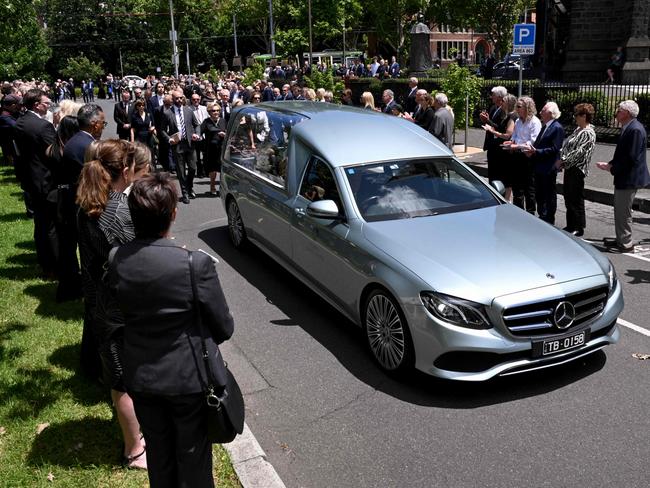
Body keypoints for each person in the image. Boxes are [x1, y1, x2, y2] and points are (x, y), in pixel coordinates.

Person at [107, 172, 234, 488]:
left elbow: (116, 312)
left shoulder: (116, 259)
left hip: (141, 374)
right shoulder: (193, 264)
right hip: (187, 377)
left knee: (160, 455)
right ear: (173, 213)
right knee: (193, 458)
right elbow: (224, 326)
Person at [76, 139, 150, 470]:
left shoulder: (88, 204)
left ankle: (135, 439)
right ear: (125, 169)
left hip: (101, 303)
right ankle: (134, 450)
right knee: (125, 380)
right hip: (126, 309)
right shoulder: (121, 211)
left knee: (118, 376)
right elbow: (140, 263)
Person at [13, 88, 58, 278]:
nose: (48, 106)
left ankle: (44, 261)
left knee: (40, 224)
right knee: (50, 226)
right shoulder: (43, 126)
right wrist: (56, 128)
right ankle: (54, 265)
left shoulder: (20, 122)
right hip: (45, 182)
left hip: (30, 180)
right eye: (46, 103)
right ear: (37, 105)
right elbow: (54, 155)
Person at [596, 100, 650, 253]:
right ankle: (621, 238)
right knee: (619, 210)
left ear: (627, 113)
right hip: (625, 176)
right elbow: (622, 154)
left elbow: (630, 158)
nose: (617, 113)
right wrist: (611, 164)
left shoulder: (635, 130)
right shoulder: (629, 127)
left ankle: (626, 243)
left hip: (629, 178)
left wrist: (611, 167)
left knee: (623, 211)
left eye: (619, 110)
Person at [556, 103, 597, 237]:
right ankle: (571, 223)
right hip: (570, 167)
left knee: (575, 198)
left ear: (584, 116)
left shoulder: (588, 133)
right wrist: (561, 157)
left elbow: (578, 152)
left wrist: (563, 161)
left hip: (577, 168)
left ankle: (578, 227)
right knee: (569, 197)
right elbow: (568, 146)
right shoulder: (578, 130)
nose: (575, 118)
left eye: (577, 115)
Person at [523, 101, 564, 225]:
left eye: (543, 110)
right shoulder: (546, 126)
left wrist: (537, 151)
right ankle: (542, 215)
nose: (540, 112)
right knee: (539, 193)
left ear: (551, 113)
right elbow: (538, 143)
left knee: (548, 194)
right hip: (539, 166)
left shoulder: (557, 127)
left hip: (548, 167)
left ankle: (549, 218)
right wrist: (532, 151)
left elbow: (555, 148)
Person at [161, 90, 201, 204]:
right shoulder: (168, 113)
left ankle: (189, 186)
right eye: (176, 98)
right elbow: (162, 129)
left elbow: (196, 124)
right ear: (172, 100)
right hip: (177, 145)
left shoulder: (188, 111)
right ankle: (185, 193)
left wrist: (196, 134)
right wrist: (169, 139)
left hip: (189, 143)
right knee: (181, 171)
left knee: (193, 168)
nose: (179, 100)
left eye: (180, 98)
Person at [503, 96, 541, 214]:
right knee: (517, 187)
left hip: (527, 157)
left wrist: (517, 146)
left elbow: (533, 141)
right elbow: (515, 136)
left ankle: (530, 213)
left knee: (529, 187)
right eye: (516, 107)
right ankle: (518, 212)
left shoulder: (535, 122)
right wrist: (511, 142)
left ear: (527, 108)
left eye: (519, 107)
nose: (517, 109)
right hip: (516, 156)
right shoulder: (518, 121)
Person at [484, 94, 518, 201]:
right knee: (500, 175)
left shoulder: (512, 117)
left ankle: (506, 199)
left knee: (506, 177)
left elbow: (508, 134)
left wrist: (492, 131)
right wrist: (489, 122)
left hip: (505, 152)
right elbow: (501, 127)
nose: (501, 103)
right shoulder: (506, 115)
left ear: (508, 103)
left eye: (503, 101)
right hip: (499, 150)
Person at [480, 86, 508, 183]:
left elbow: (501, 127)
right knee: (491, 173)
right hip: (491, 145)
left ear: (500, 97)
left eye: (493, 95)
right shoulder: (493, 108)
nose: (491, 97)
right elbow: (490, 124)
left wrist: (488, 120)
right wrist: (485, 121)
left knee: (498, 173)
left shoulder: (504, 110)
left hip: (499, 146)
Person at [201, 102, 226, 196]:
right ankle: (212, 186)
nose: (216, 112)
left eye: (217, 110)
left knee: (222, 169)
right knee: (213, 169)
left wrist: (225, 135)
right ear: (209, 112)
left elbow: (227, 131)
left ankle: (223, 188)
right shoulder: (206, 121)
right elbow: (200, 130)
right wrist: (196, 135)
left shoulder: (223, 121)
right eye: (213, 111)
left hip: (222, 149)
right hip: (211, 149)